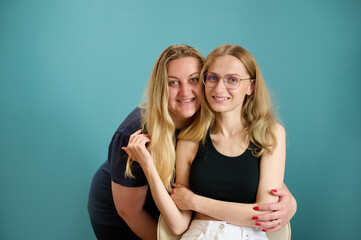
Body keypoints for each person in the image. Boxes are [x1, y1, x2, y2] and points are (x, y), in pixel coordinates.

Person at [88, 44, 296, 240]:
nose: (186, 91)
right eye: (173, 82)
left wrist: (289, 201)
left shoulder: (211, 114)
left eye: (194, 79)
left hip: (177, 208)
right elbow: (130, 211)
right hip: (123, 212)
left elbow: (239, 172)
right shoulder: (137, 133)